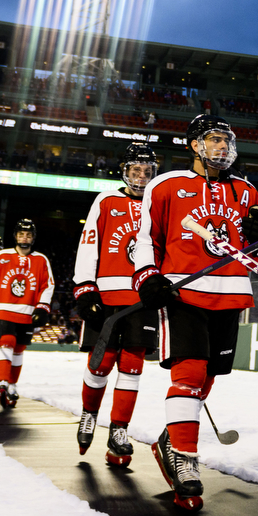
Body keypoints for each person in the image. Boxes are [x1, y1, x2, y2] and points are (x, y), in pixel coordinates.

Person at [131, 114, 258, 509]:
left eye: (227, 140)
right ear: (194, 144)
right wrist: (147, 276)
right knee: (189, 373)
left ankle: (171, 438)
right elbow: (148, 238)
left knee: (209, 376)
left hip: (231, 292)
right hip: (183, 292)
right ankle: (186, 458)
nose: (222, 147)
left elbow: (253, 253)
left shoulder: (247, 191)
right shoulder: (166, 185)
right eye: (213, 139)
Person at [72, 143, 160, 466]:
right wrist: (85, 287)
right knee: (100, 364)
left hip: (142, 300)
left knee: (132, 366)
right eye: (136, 170)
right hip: (107, 298)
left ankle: (119, 431)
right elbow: (89, 242)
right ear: (125, 170)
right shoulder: (106, 200)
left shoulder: (158, 204)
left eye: (147, 171)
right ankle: (89, 414)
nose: (141, 176)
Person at [0, 219, 54, 407]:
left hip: (27, 311)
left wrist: (42, 307)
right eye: (21, 234)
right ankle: (3, 382)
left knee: (19, 349)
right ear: (15, 236)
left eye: (28, 235)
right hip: (2, 309)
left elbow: (48, 286)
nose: (25, 238)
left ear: (33, 238)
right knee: (6, 342)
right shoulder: (2, 256)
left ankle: (12, 385)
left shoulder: (41, 259)